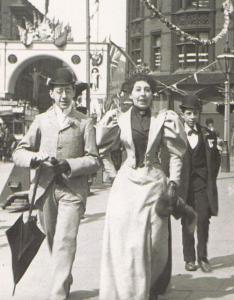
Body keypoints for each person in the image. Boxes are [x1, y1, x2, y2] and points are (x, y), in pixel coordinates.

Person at [96, 73, 187, 300]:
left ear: (152, 94)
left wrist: (173, 182)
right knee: (126, 242)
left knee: (156, 241)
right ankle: (129, 291)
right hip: (125, 186)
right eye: (138, 90)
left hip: (155, 183)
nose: (142, 94)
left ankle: (151, 287)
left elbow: (176, 153)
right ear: (129, 93)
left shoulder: (163, 118)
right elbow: (102, 149)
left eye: (147, 90)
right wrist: (113, 174)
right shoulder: (119, 118)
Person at [13, 67, 100, 300]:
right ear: (51, 93)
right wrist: (34, 158)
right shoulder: (41, 121)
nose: (64, 96)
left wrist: (70, 165)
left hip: (73, 191)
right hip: (44, 189)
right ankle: (65, 277)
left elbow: (94, 159)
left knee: (65, 239)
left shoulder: (84, 122)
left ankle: (58, 294)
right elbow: (18, 152)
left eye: (68, 90)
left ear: (74, 93)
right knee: (54, 239)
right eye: (59, 91)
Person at [178, 94, 221, 273]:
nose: (192, 117)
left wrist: (208, 177)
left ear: (199, 114)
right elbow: (168, 158)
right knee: (188, 222)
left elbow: (216, 159)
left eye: (195, 113)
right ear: (183, 114)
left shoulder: (207, 134)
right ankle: (189, 259)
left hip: (202, 184)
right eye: (189, 113)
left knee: (203, 220)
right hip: (184, 185)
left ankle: (202, 257)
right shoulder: (176, 135)